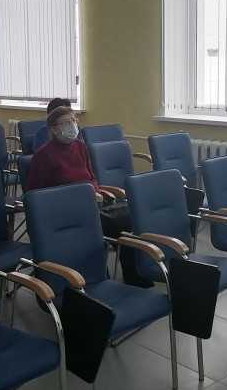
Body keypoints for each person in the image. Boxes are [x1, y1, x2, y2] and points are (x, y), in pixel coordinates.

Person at [26, 106, 145, 286]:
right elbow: (35, 195)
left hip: (90, 204)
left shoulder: (80, 147)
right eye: (66, 122)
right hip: (64, 211)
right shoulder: (43, 155)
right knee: (116, 223)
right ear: (54, 129)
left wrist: (94, 191)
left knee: (128, 219)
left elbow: (91, 177)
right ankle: (98, 278)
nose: (72, 125)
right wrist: (76, 198)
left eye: (74, 120)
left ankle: (134, 278)